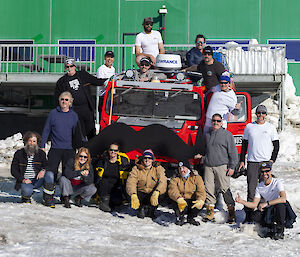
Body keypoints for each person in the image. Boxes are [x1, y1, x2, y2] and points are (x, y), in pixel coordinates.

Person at [238, 105, 280, 223]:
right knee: (251, 190)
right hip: (252, 162)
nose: (261, 115)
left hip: (265, 163)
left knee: (265, 189)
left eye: (263, 113)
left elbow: (276, 145)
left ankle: (264, 215)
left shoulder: (270, 127)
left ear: (266, 115)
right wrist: (242, 160)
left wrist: (272, 160)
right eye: (259, 113)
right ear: (255, 114)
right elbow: (244, 145)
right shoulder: (249, 127)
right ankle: (249, 216)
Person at [235, 162, 296, 240]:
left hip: (279, 208)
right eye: (263, 171)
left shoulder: (277, 183)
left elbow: (283, 198)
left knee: (280, 205)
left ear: (271, 171)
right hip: (268, 208)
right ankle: (270, 227)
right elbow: (254, 204)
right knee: (254, 216)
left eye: (267, 171)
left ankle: (280, 229)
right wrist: (242, 201)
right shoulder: (259, 186)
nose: (265, 173)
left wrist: (266, 203)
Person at [55, 58, 105, 140]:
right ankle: (80, 151)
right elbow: (57, 99)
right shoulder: (61, 82)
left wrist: (109, 80)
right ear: (65, 68)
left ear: (75, 67)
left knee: (91, 132)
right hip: (74, 111)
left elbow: (96, 81)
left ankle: (91, 151)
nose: (69, 68)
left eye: (71, 66)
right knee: (79, 134)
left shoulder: (82, 75)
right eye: (67, 67)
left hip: (87, 109)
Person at [201, 113, 238, 223]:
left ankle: (231, 212)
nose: (216, 123)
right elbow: (205, 150)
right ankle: (210, 213)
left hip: (222, 166)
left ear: (222, 122)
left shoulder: (227, 135)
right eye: (214, 121)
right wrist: (202, 158)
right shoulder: (207, 135)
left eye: (218, 121)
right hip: (208, 166)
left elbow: (233, 153)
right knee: (209, 189)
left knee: (224, 188)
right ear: (211, 122)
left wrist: (232, 167)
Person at [41, 91, 82, 181]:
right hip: (55, 148)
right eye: (62, 99)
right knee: (51, 173)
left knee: (67, 174)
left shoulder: (74, 115)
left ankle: (65, 194)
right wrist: (42, 145)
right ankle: (49, 193)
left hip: (69, 149)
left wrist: (80, 146)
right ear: (59, 101)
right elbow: (46, 130)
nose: (64, 101)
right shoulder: (53, 113)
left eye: (66, 100)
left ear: (70, 102)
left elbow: (77, 132)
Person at [11, 131, 55, 207]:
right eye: (30, 141)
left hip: (38, 179)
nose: (32, 143)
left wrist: (43, 170)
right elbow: (13, 170)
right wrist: (23, 179)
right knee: (26, 191)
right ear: (26, 142)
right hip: (26, 181)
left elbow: (48, 165)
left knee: (50, 175)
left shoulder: (41, 153)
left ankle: (47, 199)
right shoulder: (19, 153)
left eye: (34, 141)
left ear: (37, 143)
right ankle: (26, 197)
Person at [126, 149, 167, 219]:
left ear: (152, 160)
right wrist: (133, 194)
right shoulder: (136, 168)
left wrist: (157, 192)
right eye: (145, 158)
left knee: (161, 194)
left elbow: (163, 181)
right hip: (141, 192)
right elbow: (131, 181)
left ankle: (152, 209)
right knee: (131, 194)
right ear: (142, 159)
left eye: (150, 158)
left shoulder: (158, 168)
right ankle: (140, 208)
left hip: (152, 193)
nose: (147, 160)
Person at [168, 160, 206, 226]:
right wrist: (178, 198)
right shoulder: (175, 178)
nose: (182, 170)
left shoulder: (196, 177)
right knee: (174, 201)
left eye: (184, 168)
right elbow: (172, 190)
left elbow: (201, 191)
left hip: (192, 200)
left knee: (201, 203)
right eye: (180, 168)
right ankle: (180, 217)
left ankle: (190, 218)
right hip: (181, 200)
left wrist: (200, 199)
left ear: (188, 168)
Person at [95, 143, 130, 212]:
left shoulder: (123, 163)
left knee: (117, 201)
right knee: (103, 182)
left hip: (116, 186)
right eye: (111, 150)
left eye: (115, 150)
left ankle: (112, 202)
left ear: (118, 152)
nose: (113, 152)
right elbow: (97, 176)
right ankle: (103, 202)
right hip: (104, 186)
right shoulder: (103, 161)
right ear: (108, 151)